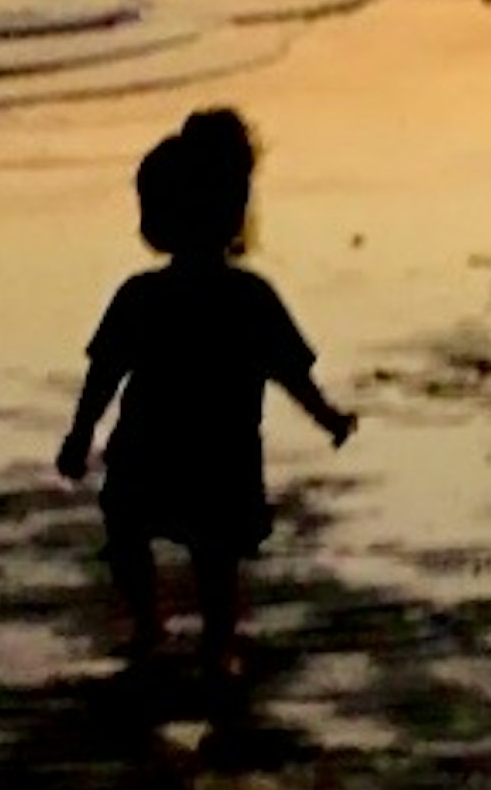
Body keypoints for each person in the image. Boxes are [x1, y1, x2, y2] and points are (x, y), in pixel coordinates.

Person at [56, 106, 355, 677]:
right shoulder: (249, 296)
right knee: (214, 557)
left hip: (149, 447)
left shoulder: (141, 295)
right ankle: (214, 644)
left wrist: (79, 436)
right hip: (220, 455)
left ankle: (149, 622)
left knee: (129, 530)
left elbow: (104, 374)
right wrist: (329, 418)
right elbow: (292, 373)